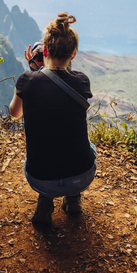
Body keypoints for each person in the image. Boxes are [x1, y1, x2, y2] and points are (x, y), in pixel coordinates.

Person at [9, 12, 96, 225]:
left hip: (40, 177)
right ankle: (73, 199)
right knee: (89, 146)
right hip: (82, 176)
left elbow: (15, 113)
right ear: (73, 54)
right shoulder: (83, 81)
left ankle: (45, 203)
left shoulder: (27, 80)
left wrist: (33, 71)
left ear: (45, 50)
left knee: (45, 154)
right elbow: (63, 90)